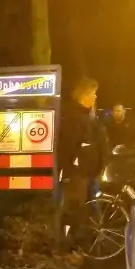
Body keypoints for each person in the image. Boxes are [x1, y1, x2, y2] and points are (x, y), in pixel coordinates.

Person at [57, 77, 102, 252]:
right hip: (79, 175)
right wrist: (72, 171)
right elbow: (70, 146)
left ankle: (84, 246)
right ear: (84, 95)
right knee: (75, 211)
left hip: (89, 172)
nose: (96, 97)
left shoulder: (88, 115)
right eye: (93, 93)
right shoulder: (74, 117)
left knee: (88, 210)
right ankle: (70, 248)